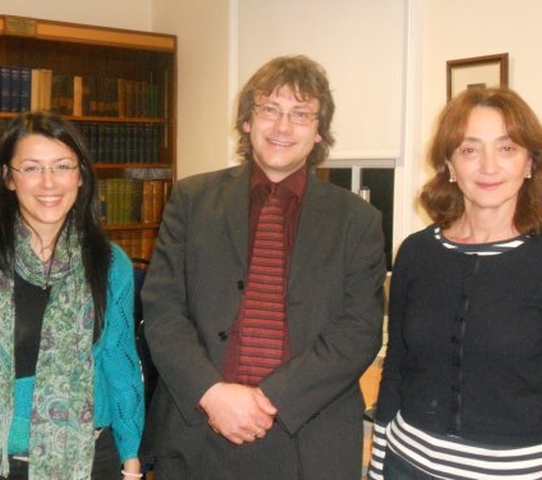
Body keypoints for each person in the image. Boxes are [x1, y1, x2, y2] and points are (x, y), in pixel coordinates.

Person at [141, 54, 386, 479]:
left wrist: (269, 401)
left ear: (319, 131)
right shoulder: (191, 200)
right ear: (247, 122)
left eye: (300, 114)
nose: (282, 126)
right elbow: (163, 310)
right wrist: (213, 394)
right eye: (269, 109)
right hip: (196, 432)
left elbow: (359, 330)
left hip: (308, 439)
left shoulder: (358, 220)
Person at [367, 87, 542, 479]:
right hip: (406, 464)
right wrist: (378, 466)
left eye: (507, 148)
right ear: (449, 165)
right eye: (470, 149)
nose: (489, 167)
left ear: (531, 163)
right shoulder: (416, 252)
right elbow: (397, 366)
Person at [0, 111, 145, 480]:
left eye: (62, 166)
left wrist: (131, 460)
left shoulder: (111, 264)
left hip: (90, 461)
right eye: (31, 168)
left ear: (80, 176)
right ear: (7, 179)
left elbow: (120, 366)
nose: (49, 183)